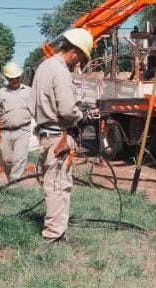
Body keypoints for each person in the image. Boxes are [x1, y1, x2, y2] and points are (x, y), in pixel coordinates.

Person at [31, 28, 93, 243]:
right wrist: (81, 116)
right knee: (59, 187)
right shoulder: (60, 72)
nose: (79, 62)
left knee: (53, 184)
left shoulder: (44, 67)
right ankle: (54, 236)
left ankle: (55, 231)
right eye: (81, 57)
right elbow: (67, 110)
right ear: (74, 52)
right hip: (58, 136)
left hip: (46, 134)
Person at [0, 62, 32, 182]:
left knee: (19, 158)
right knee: (6, 159)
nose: (15, 80)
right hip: (5, 132)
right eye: (12, 78)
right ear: (8, 78)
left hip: (23, 130)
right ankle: (11, 180)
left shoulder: (29, 91)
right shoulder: (1, 93)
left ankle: (14, 184)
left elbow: (37, 109)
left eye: (17, 77)